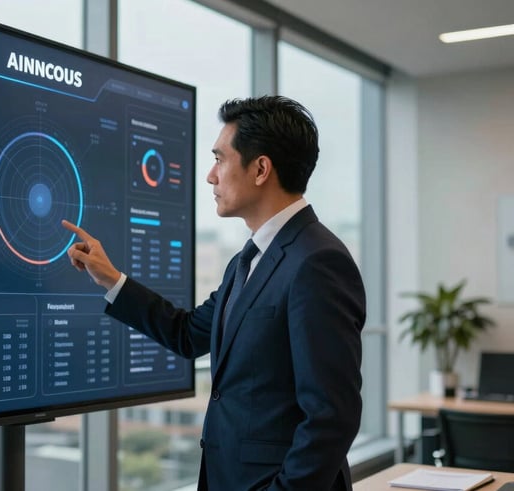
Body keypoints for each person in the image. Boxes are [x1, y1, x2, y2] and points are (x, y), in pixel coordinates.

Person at [62, 95, 366, 490]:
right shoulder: (248, 259)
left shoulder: (317, 262)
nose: (210, 175)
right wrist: (112, 279)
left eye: (220, 159)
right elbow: (188, 334)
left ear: (260, 169)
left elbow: (331, 416)